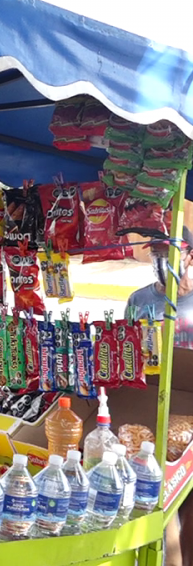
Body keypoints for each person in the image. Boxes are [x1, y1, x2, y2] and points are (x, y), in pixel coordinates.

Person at [125, 225, 193, 566]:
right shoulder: (139, 301)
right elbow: (126, 360)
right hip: (149, 418)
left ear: (190, 256)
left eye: (170, 255)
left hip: (189, 417)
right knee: (162, 507)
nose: (162, 262)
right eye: (157, 255)